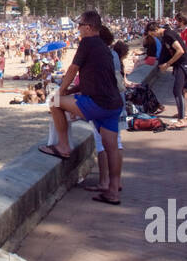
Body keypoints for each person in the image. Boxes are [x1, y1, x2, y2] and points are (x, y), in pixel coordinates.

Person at [43, 11, 126, 201]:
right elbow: (93, 79)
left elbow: (73, 69)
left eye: (79, 24)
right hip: (114, 103)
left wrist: (61, 91)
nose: (77, 28)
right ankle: (113, 190)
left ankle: (63, 146)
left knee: (54, 103)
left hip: (97, 102)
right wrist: (70, 92)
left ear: (88, 27)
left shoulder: (87, 43)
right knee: (112, 147)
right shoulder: (105, 48)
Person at [148, 19, 187, 129]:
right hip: (180, 64)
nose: (154, 37)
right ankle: (182, 114)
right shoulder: (165, 36)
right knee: (180, 90)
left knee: (177, 90)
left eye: (153, 34)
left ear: (156, 29)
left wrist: (167, 64)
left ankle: (182, 120)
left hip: (183, 64)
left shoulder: (168, 35)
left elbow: (180, 51)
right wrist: (162, 64)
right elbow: (165, 52)